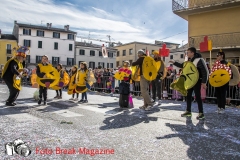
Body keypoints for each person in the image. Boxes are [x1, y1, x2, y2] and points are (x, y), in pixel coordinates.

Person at [169, 47, 208, 120]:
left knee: (198, 96)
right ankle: (188, 111)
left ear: (192, 53)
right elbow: (182, 65)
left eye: (188, 52)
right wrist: (174, 62)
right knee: (188, 95)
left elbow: (204, 71)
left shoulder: (199, 60)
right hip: (189, 81)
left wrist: (203, 82)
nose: (187, 54)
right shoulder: (188, 61)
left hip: (196, 81)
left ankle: (201, 113)